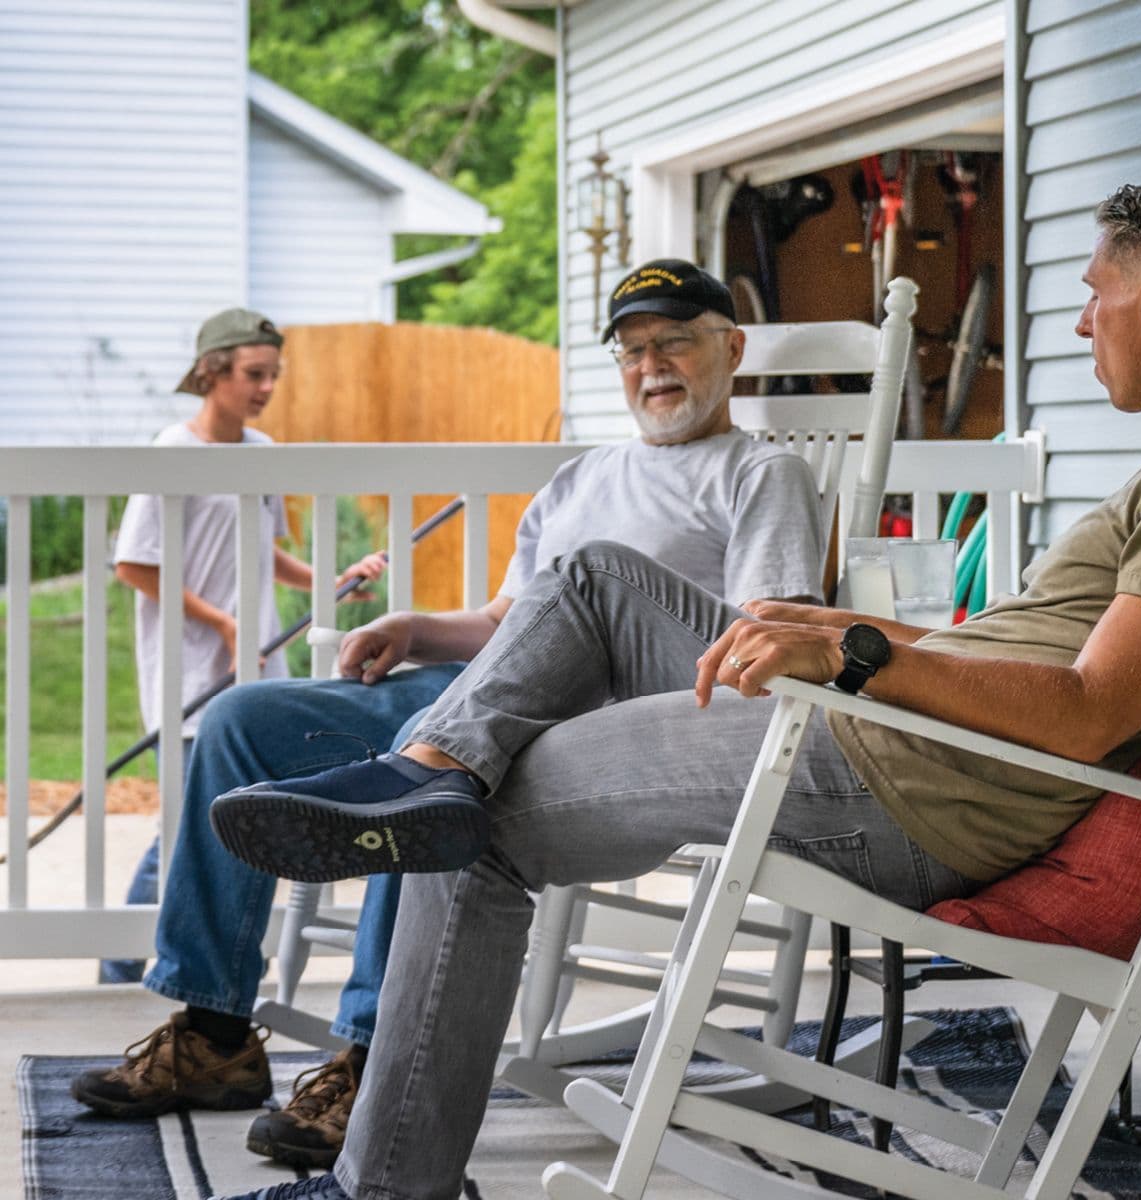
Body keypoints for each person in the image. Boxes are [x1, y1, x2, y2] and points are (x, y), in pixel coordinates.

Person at [205, 173, 1141, 1200]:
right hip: (892, 741)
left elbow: (1090, 715)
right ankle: (425, 766)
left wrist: (858, 657)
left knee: (473, 826)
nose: (1081, 318)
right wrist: (842, 626)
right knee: (594, 580)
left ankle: (389, 1180)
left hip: (901, 785)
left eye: (1094, 295)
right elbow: (1040, 662)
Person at [71, 261, 826, 1171]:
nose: (651, 365)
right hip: (475, 694)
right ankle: (216, 1032)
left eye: (674, 341)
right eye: (631, 350)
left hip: (594, 724)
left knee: (415, 783)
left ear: (730, 348)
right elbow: (508, 625)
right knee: (240, 718)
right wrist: (414, 628)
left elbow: (764, 636)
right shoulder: (581, 479)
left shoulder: (760, 472)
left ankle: (369, 1057)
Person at [100, 309, 386, 984]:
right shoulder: (173, 452)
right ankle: (119, 963)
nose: (266, 387)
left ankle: (159, 958)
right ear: (211, 372)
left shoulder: (259, 450)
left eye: (273, 375)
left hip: (254, 670)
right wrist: (225, 625)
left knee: (218, 815)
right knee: (187, 822)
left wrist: (330, 582)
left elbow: (270, 553)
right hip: (190, 670)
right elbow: (135, 565)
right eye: (254, 374)